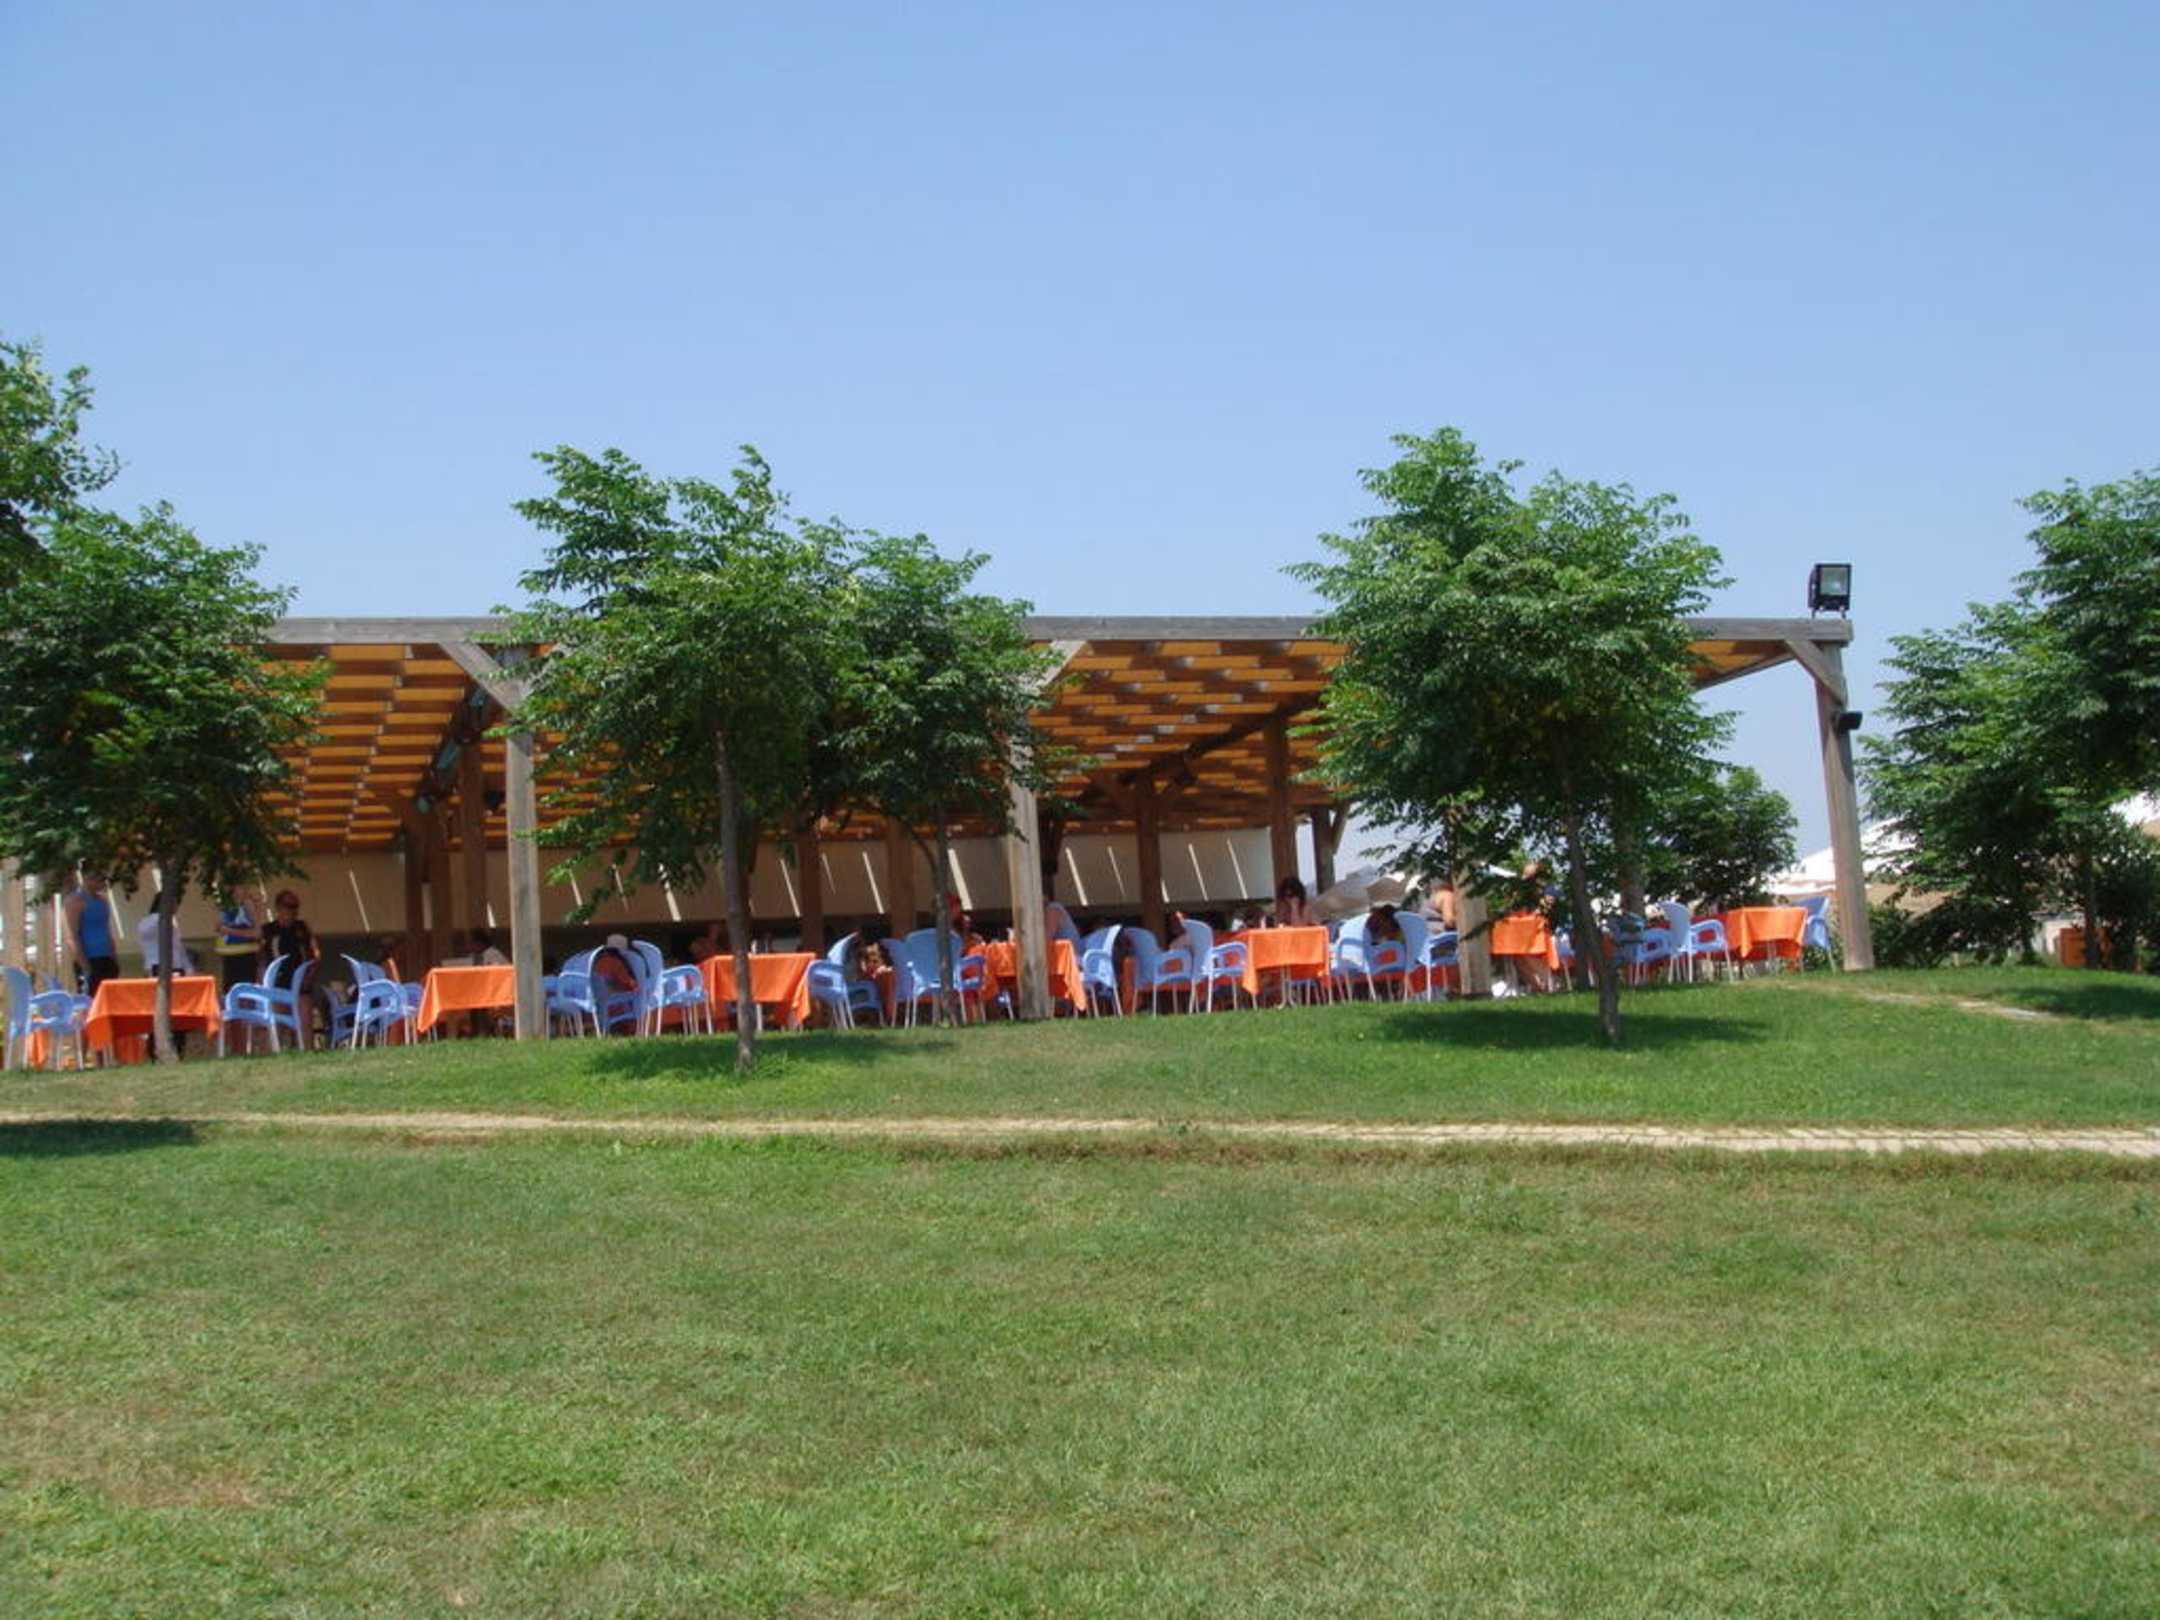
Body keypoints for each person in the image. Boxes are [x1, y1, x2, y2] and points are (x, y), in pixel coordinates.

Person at [64, 872, 120, 997]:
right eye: (98, 879)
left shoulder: (102, 900)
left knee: (110, 997)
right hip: (90, 958)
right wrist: (85, 965)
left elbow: (107, 929)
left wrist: (114, 957)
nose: (102, 883)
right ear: (87, 878)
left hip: (107, 957)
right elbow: (73, 935)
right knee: (93, 998)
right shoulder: (75, 901)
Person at [214, 892, 261, 993]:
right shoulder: (226, 905)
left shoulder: (248, 904)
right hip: (229, 956)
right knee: (230, 992)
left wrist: (230, 931)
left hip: (245, 957)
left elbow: (257, 933)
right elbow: (218, 927)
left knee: (245, 993)